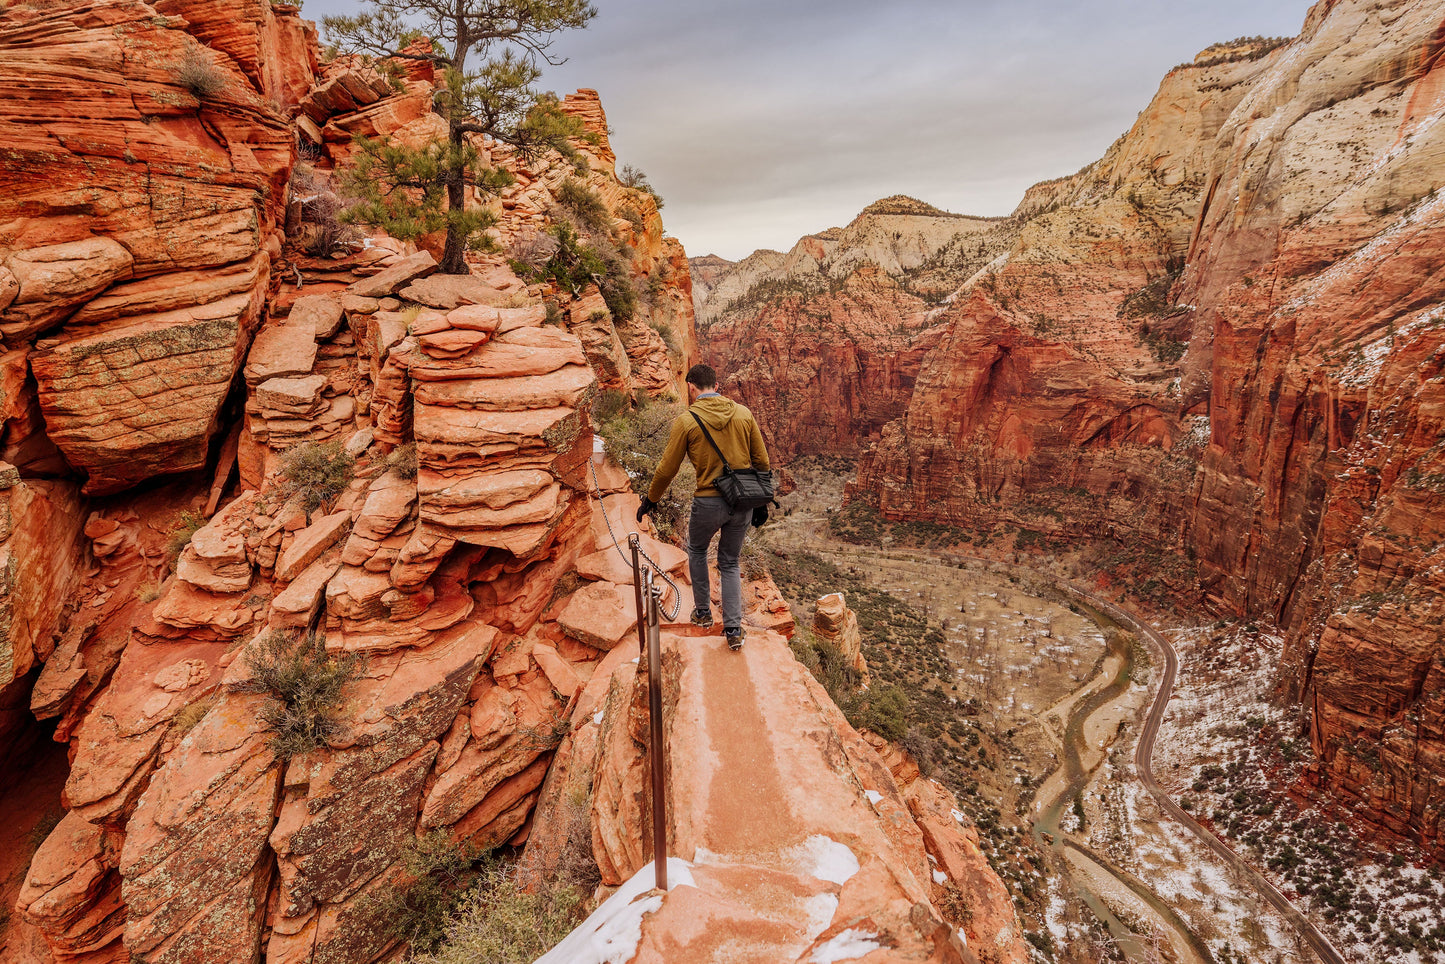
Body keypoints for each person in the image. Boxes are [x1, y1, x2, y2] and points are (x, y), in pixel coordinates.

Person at [637, 364, 770, 651]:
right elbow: (762, 462)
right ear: (717, 384)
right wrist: (761, 503)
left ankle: (703, 613)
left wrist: (651, 499)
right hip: (742, 501)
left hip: (708, 502)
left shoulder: (687, 421)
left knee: (696, 550)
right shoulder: (743, 414)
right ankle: (734, 629)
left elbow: (666, 469)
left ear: (692, 388)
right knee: (730, 561)